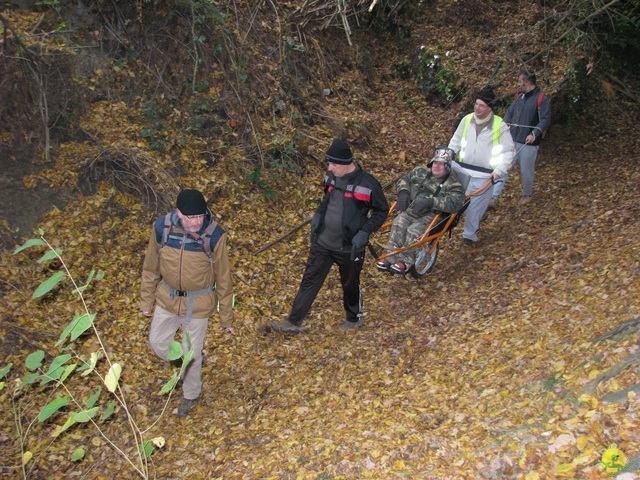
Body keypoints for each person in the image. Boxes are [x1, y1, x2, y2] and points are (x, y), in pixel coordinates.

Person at [270, 139, 389, 333]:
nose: (330, 168)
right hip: (323, 242)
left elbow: (381, 211)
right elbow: (328, 198)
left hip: (349, 246)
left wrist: (365, 232)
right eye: (329, 164)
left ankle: (353, 319)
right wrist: (318, 216)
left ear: (346, 163)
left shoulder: (367, 184)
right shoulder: (330, 177)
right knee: (310, 279)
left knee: (350, 283)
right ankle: (293, 321)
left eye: (333, 164)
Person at [140, 189, 234, 417]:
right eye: (191, 217)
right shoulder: (162, 229)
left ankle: (191, 394)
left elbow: (224, 278)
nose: (197, 222)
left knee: (190, 352)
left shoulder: (214, 236)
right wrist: (146, 300)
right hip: (167, 298)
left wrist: (226, 318)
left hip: (199, 304)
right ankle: (191, 363)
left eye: (200, 216)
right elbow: (151, 266)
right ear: (178, 213)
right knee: (157, 342)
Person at [376, 146, 465, 274]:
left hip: (433, 215)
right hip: (413, 208)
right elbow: (405, 179)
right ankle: (390, 258)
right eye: (435, 162)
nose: (437, 166)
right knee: (398, 222)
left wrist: (431, 201)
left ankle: (405, 262)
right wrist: (404, 192)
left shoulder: (453, 183)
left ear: (447, 167)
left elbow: (456, 202)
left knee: (414, 230)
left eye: (441, 164)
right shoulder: (421, 171)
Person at [448, 86, 514, 245]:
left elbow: (509, 151)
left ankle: (469, 237)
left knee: (474, 210)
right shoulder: (466, 120)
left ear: (489, 108)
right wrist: (448, 155)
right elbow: (455, 141)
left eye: (481, 105)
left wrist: (498, 172)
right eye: (476, 104)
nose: (477, 108)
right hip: (463, 171)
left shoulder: (500, 126)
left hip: (485, 176)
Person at [490, 71, 551, 207]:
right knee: (503, 167)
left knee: (526, 171)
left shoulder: (541, 98)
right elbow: (509, 114)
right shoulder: (518, 98)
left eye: (520, 81)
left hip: (529, 143)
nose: (518, 84)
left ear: (527, 82)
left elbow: (545, 119)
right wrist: (504, 126)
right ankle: (494, 197)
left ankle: (527, 194)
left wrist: (534, 133)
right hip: (512, 140)